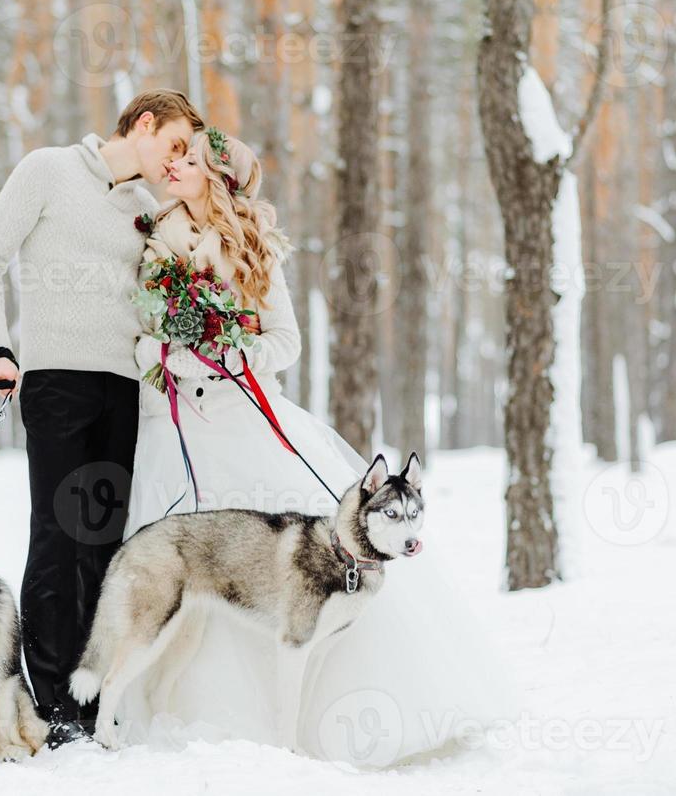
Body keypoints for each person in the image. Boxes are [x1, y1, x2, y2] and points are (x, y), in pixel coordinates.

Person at [119, 128, 512, 765]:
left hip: (251, 420)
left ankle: (303, 729)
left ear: (217, 178)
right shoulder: (153, 246)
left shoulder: (255, 251)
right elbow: (137, 341)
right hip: (176, 429)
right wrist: (174, 354)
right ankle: (167, 718)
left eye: (189, 160)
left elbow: (286, 342)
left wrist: (231, 352)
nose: (174, 167)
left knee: (300, 569)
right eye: (174, 157)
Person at [0, 89, 206, 747]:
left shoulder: (147, 211)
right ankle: (48, 707)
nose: (176, 161)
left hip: (121, 390)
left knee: (103, 545)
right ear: (143, 124)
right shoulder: (48, 170)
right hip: (55, 381)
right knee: (57, 540)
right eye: (174, 145)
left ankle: (90, 696)